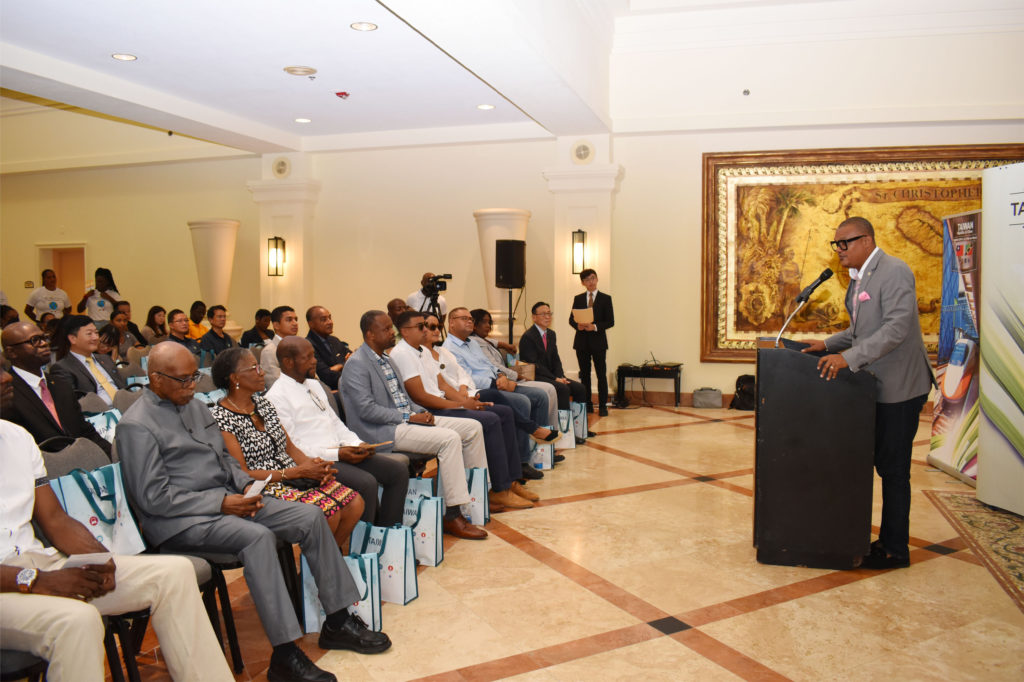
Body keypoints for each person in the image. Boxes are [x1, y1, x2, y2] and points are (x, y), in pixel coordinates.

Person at [115, 342, 392, 682]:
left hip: (229, 499)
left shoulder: (195, 407)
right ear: (156, 378)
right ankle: (285, 654)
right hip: (182, 520)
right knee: (257, 537)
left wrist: (247, 485)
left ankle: (337, 621)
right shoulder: (136, 425)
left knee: (309, 516)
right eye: (182, 380)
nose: (191, 387)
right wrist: (220, 503)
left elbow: (225, 460)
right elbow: (152, 498)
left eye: (193, 378)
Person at [0, 400, 235, 682]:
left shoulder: (16, 437)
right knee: (77, 621)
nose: (6, 379)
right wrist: (36, 580)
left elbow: (55, 519)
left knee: (174, 573)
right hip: (12, 581)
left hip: (38, 563)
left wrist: (102, 559)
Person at [802, 217, 935, 570]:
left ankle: (895, 549)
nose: (839, 250)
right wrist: (827, 344)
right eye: (836, 244)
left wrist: (848, 358)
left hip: (900, 387)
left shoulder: (895, 271)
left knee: (894, 470)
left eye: (845, 242)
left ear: (867, 240)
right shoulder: (859, 277)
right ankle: (879, 539)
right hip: (875, 387)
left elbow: (895, 329)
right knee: (879, 463)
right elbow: (860, 331)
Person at [339, 310, 489, 540]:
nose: (393, 333)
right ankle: (452, 514)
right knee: (449, 439)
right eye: (386, 329)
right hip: (382, 431)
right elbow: (366, 410)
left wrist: (420, 412)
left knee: (471, 427)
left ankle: (478, 497)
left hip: (405, 420)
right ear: (370, 334)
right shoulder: (357, 364)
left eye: (391, 328)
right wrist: (409, 417)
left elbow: (404, 399)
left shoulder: (386, 359)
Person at [209, 347, 364, 551]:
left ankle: (327, 559)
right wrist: (296, 472)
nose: (262, 372)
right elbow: (243, 473)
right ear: (234, 378)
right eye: (254, 368)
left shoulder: (263, 404)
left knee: (355, 503)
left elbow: (289, 447)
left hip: (294, 475)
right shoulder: (221, 417)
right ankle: (320, 564)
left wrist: (315, 467)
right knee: (328, 512)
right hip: (265, 485)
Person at [391, 311, 534, 511]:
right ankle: (498, 489)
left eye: (427, 326)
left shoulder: (422, 351)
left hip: (443, 402)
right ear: (405, 331)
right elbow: (420, 397)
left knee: (503, 413)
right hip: (429, 410)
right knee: (490, 420)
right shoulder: (402, 354)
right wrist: (460, 406)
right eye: (421, 326)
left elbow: (443, 385)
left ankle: (510, 480)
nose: (426, 330)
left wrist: (467, 402)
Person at [265, 338, 410, 527]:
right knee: (366, 483)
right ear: (288, 362)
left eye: (313, 355)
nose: (314, 361)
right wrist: (337, 454)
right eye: (307, 357)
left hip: (341, 451)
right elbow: (294, 447)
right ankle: (364, 543)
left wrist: (357, 444)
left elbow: (336, 423)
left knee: (397, 471)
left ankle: (387, 533)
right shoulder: (276, 397)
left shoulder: (314, 385)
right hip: (317, 462)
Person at [443, 307, 558, 473]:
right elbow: (467, 378)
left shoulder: (472, 343)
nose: (469, 321)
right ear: (451, 323)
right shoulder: (449, 349)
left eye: (470, 319)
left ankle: (540, 453)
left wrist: (502, 375)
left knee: (540, 395)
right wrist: (497, 383)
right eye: (464, 318)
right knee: (522, 402)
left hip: (497, 382)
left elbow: (490, 366)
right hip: (481, 389)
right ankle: (521, 462)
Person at [1, 323, 111, 455]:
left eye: (44, 338)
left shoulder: (60, 384)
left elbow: (84, 430)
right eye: (35, 340)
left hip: (82, 458)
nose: (44, 344)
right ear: (11, 352)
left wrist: (115, 456)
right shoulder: (6, 394)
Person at [469, 309, 558, 427]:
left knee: (549, 389)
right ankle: (545, 429)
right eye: (484, 322)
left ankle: (550, 429)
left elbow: (491, 342)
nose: (488, 326)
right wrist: (519, 376)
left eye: (489, 322)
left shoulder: (483, 340)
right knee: (547, 390)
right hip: (502, 381)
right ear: (474, 325)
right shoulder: (475, 342)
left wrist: (505, 345)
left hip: (506, 377)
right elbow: (495, 366)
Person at [519, 302, 593, 440]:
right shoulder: (528, 337)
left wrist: (560, 376)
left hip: (552, 375)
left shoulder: (551, 334)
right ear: (534, 317)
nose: (547, 317)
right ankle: (564, 432)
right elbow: (534, 365)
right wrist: (555, 379)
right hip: (536, 376)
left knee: (580, 388)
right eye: (543, 314)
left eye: (549, 313)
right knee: (563, 389)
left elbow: (555, 359)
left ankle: (580, 430)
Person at [49, 315, 127, 405]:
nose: (95, 338)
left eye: (96, 333)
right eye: (89, 334)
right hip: (100, 411)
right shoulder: (63, 368)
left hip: (125, 405)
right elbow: (71, 404)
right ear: (73, 339)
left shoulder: (105, 359)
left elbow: (122, 386)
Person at [569, 269, 614, 416]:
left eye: (593, 278)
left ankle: (602, 406)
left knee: (601, 374)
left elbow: (610, 321)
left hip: (598, 342)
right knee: (585, 375)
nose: (591, 282)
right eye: (587, 280)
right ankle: (587, 404)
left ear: (597, 279)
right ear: (583, 283)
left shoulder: (605, 298)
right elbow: (571, 319)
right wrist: (578, 326)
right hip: (581, 342)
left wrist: (594, 327)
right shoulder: (578, 298)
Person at [306, 306, 351, 388]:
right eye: (324, 319)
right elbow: (325, 376)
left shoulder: (334, 340)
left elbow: (352, 359)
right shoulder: (307, 345)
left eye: (330, 318)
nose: (330, 322)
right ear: (311, 324)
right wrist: (344, 364)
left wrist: (338, 367)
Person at [261, 305, 300, 388]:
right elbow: (276, 384)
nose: (295, 323)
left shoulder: (300, 347)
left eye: (296, 319)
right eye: (289, 320)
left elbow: (313, 376)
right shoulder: (270, 352)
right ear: (276, 325)